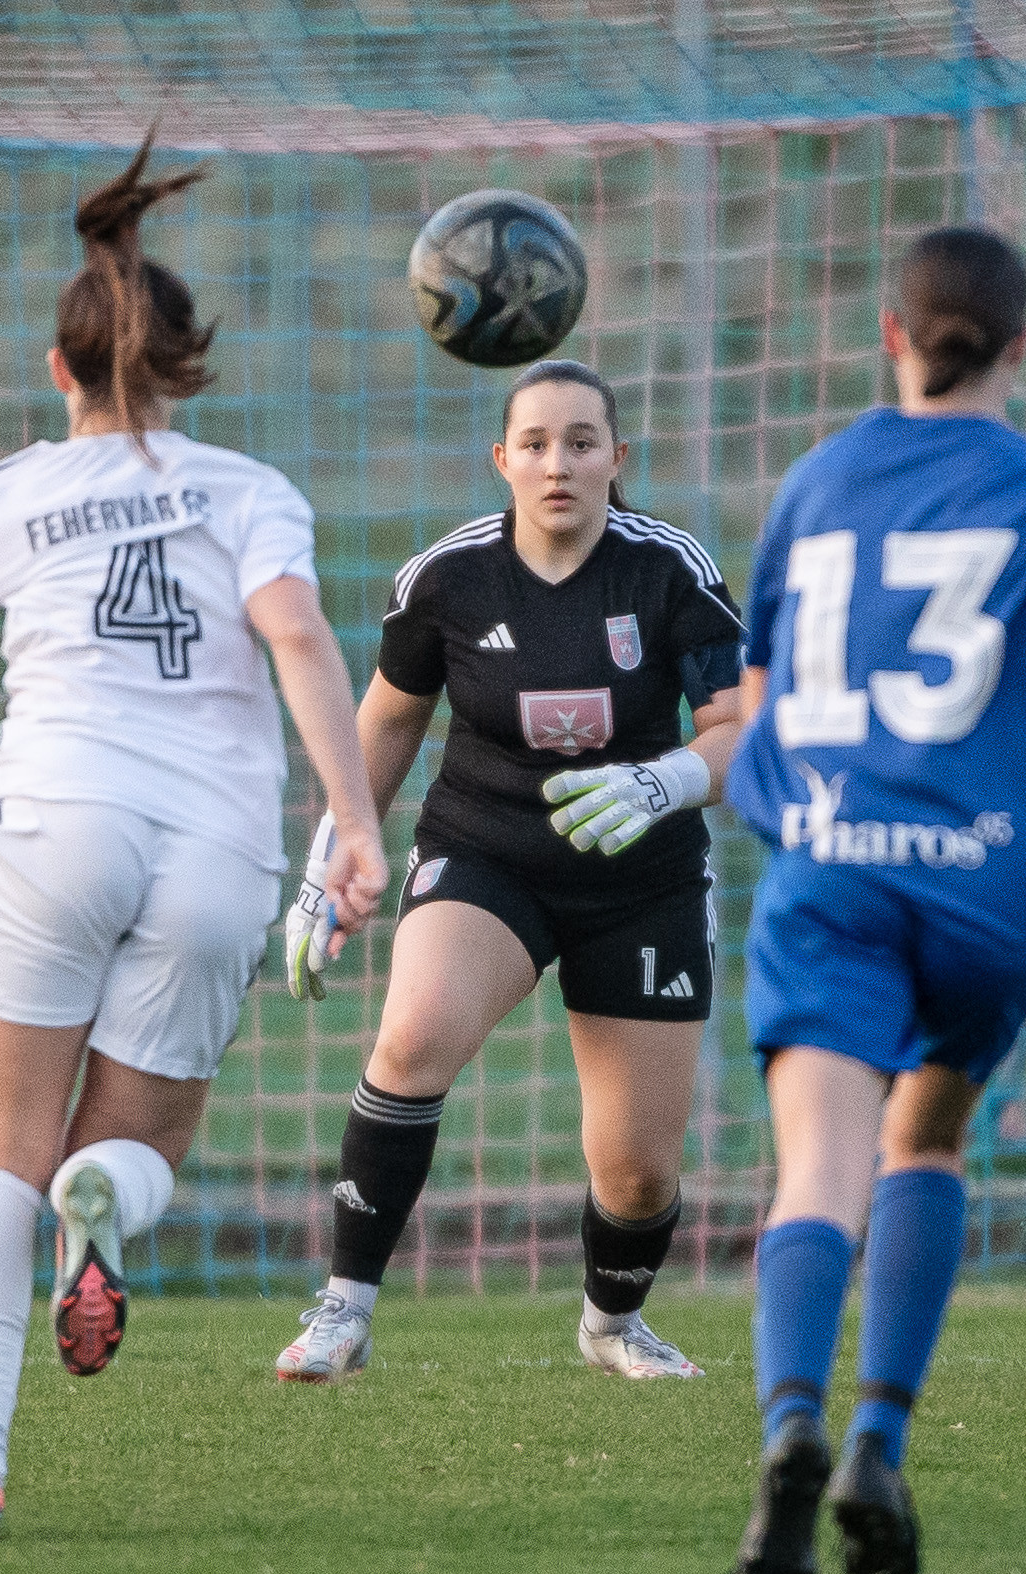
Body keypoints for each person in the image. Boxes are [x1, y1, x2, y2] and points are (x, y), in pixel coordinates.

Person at [0, 136, 387, 1540]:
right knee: (138, 1145)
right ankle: (104, 1199)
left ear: (58, 367)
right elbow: (299, 637)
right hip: (217, 853)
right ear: (190, 369)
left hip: (55, 829)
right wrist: (352, 820)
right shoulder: (248, 492)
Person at [724, 225, 1026, 1574]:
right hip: (994, 886)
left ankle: (791, 1427)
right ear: (1022, 345)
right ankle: (880, 1439)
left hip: (838, 871)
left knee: (820, 1169)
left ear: (892, 333)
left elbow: (759, 695)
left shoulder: (818, 481)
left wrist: (797, 808)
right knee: (925, 1139)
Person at [274, 358, 745, 1383]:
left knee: (638, 1171)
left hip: (643, 879)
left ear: (617, 457)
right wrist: (330, 859)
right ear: (502, 460)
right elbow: (386, 722)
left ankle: (613, 1325)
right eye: (534, 443)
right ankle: (343, 1311)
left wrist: (661, 782)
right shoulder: (447, 577)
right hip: (487, 853)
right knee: (412, 1036)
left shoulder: (671, 569)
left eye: (582, 441)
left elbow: (738, 731)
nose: (557, 463)